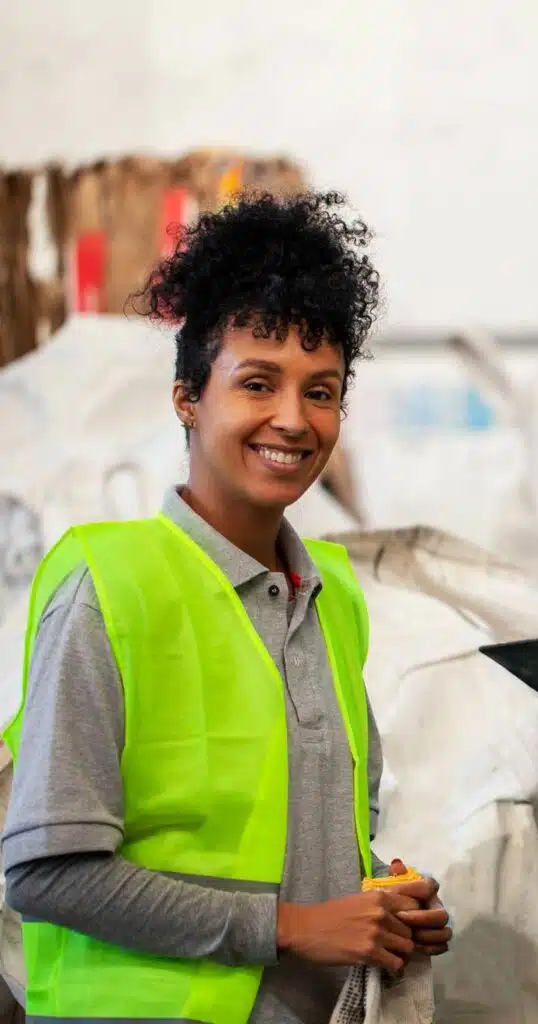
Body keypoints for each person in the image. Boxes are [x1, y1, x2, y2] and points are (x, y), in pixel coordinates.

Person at [1, 191, 451, 1023]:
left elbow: (320, 843)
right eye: (257, 383)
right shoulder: (109, 586)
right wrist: (294, 928)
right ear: (187, 397)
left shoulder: (333, 598)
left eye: (322, 392)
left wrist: (384, 904)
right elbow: (45, 871)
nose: (293, 419)